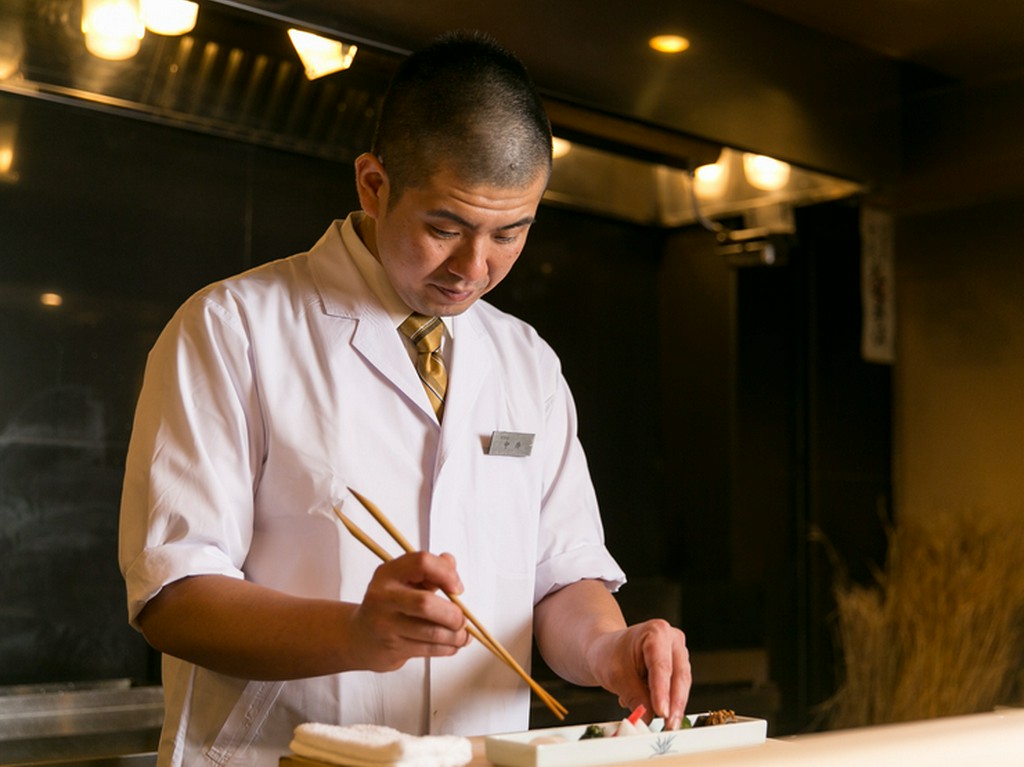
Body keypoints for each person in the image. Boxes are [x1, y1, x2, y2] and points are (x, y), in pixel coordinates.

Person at [119, 30, 690, 767]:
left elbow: (561, 577)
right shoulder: (234, 328)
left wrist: (611, 648)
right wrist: (358, 632)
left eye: (510, 233)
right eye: (444, 227)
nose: (474, 268)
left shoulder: (528, 363)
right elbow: (174, 594)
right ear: (373, 184)